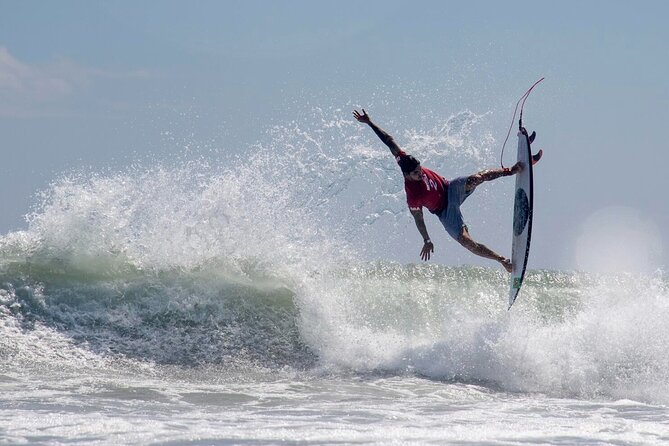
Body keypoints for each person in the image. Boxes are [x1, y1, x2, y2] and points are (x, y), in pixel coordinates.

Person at [353, 109, 542, 272]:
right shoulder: (413, 197)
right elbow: (419, 220)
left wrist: (369, 122)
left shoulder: (402, 158)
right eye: (417, 174)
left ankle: (513, 169)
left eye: (420, 169)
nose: (421, 173)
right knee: (467, 243)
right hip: (445, 212)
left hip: (450, 188)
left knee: (477, 178)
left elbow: (388, 140)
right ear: (408, 175)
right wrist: (427, 240)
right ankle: (502, 261)